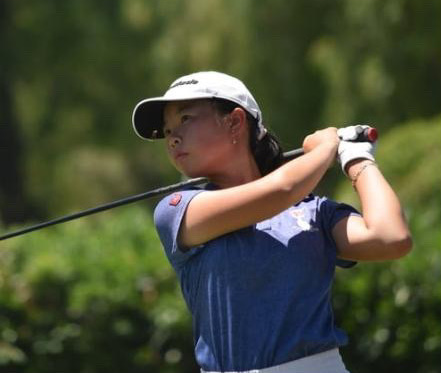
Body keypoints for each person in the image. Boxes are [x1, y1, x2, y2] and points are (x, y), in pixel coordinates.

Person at [131, 71, 412, 373]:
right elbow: (281, 189)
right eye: (167, 129)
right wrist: (327, 147)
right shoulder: (177, 209)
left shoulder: (314, 210)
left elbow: (390, 237)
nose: (172, 137)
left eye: (185, 119)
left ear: (235, 122)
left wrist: (357, 160)